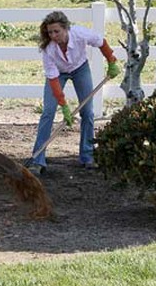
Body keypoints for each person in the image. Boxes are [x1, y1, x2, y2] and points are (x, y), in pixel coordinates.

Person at [27, 11, 120, 176]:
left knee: (88, 112)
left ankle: (87, 156)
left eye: (57, 31)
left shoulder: (80, 34)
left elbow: (101, 42)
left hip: (80, 69)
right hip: (58, 74)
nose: (54, 35)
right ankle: (37, 160)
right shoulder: (48, 50)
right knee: (48, 112)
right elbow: (54, 80)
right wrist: (64, 107)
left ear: (66, 28)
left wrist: (111, 61)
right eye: (50, 32)